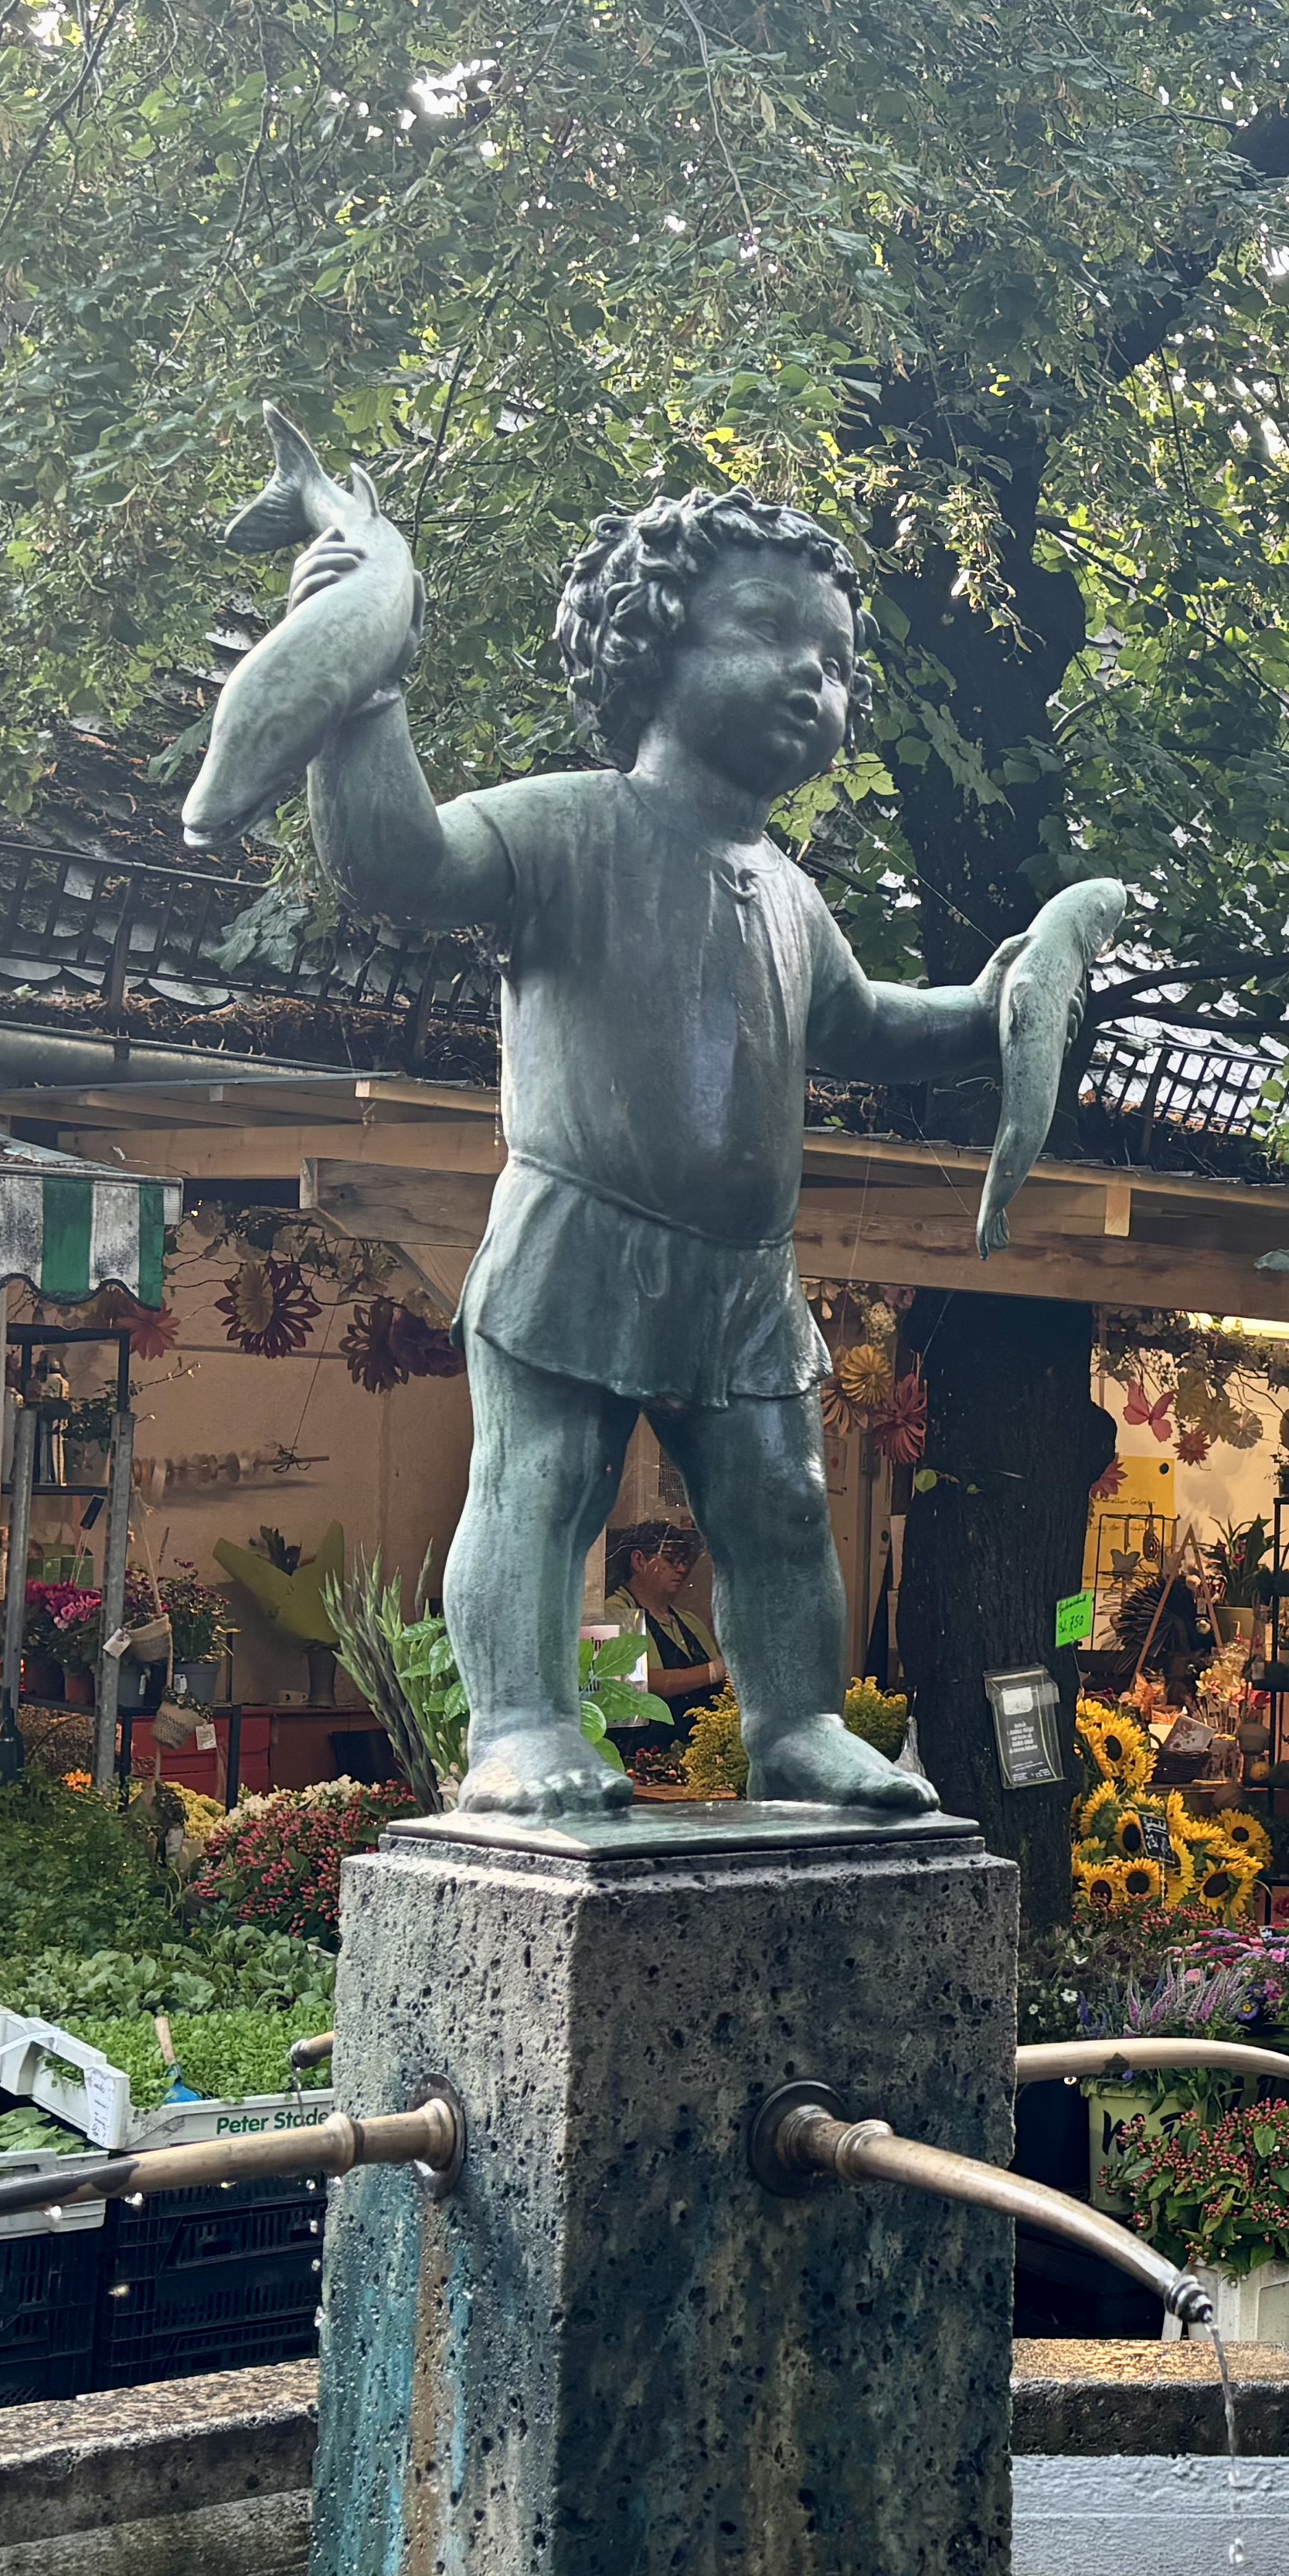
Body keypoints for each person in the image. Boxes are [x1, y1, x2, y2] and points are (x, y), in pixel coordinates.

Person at [286, 479, 1114, 1817]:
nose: (813, 677)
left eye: (838, 662)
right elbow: (398, 861)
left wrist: (995, 1003)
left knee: (782, 1507)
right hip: (580, 1229)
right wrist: (357, 690)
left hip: (741, 1270)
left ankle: (796, 1723)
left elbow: (864, 1026)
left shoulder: (790, 894)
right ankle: (517, 1723)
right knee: (545, 1482)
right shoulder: (563, 825)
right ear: (648, 642)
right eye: (770, 634)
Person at [607, 1522, 727, 1721]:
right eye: (671, 1560)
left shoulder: (690, 1622)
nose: (681, 1569)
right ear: (639, 1561)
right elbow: (641, 1681)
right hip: (644, 1747)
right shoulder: (614, 1613)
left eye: (685, 1561)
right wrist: (714, 1671)